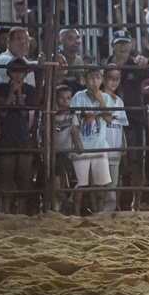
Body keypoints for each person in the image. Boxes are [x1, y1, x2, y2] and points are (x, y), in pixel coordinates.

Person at [105, 31, 149, 211]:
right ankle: (114, 203)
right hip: (112, 120)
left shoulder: (136, 64)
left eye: (126, 43)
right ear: (113, 46)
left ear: (131, 44)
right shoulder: (106, 65)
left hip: (134, 119)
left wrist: (146, 62)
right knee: (113, 161)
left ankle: (136, 202)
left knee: (136, 162)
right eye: (119, 43)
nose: (123, 46)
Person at [0, 58, 37, 214]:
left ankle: (21, 211)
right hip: (6, 138)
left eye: (20, 71)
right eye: (14, 71)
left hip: (23, 138)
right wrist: (12, 91)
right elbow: (2, 112)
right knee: (5, 177)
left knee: (24, 178)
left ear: (25, 73)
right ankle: (5, 210)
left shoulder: (30, 90)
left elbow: (25, 112)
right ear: (8, 72)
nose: (17, 74)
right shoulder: (1, 88)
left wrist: (18, 92)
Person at [70, 67, 113, 215]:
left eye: (98, 78)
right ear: (85, 80)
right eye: (91, 78)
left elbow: (108, 119)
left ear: (102, 80)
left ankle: (99, 213)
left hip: (99, 146)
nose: (95, 81)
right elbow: (73, 123)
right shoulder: (79, 97)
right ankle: (76, 213)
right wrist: (77, 143)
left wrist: (100, 98)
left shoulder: (106, 98)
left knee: (100, 186)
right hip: (83, 144)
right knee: (80, 184)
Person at [102, 65, 127, 212]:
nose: (114, 82)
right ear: (104, 79)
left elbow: (122, 124)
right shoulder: (98, 98)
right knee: (100, 183)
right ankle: (99, 211)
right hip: (101, 146)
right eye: (111, 78)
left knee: (113, 183)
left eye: (117, 78)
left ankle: (108, 211)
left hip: (115, 146)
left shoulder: (119, 101)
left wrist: (123, 142)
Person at [50, 84, 75, 213]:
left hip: (67, 152)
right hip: (54, 152)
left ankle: (60, 203)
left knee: (62, 172)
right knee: (58, 168)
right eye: (61, 98)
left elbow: (75, 131)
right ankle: (58, 203)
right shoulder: (49, 115)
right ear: (55, 100)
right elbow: (46, 132)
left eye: (68, 98)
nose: (65, 101)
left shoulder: (73, 114)